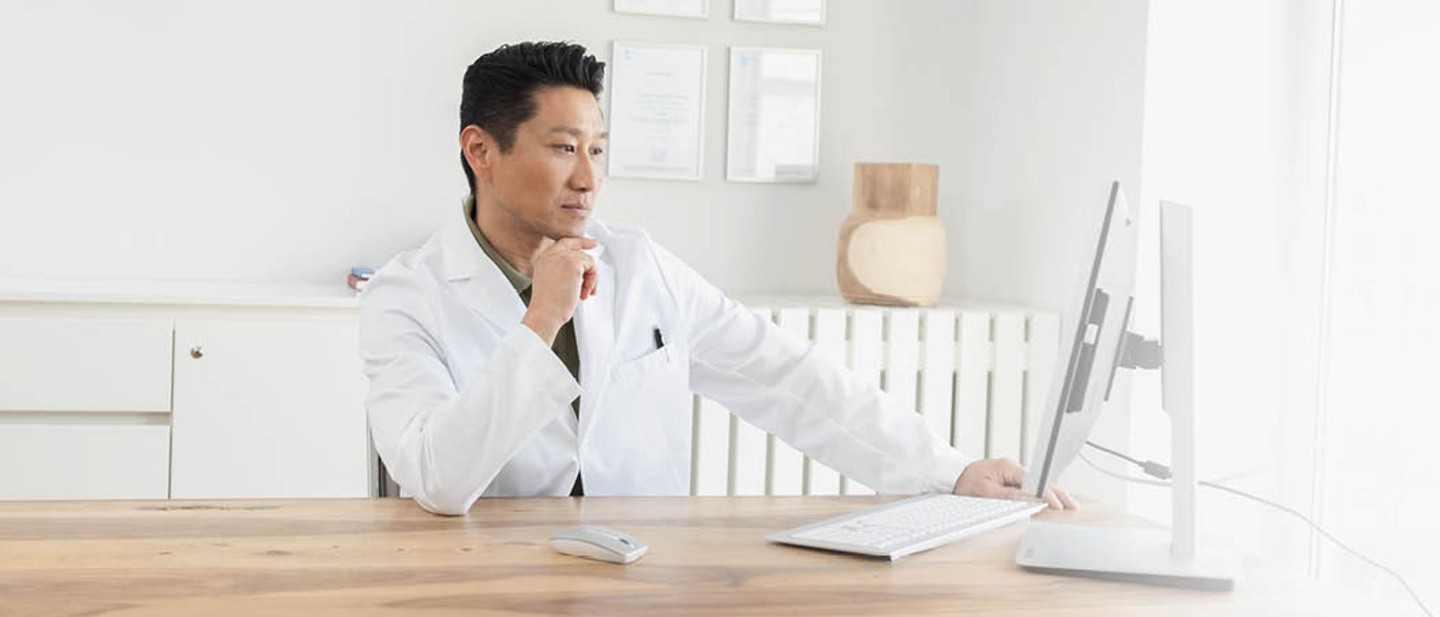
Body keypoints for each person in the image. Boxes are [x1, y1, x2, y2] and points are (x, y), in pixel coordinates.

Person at [359, 41, 1076, 516]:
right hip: (484, 583)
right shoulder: (406, 297)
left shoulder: (638, 265)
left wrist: (949, 471)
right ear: (480, 151)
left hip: (644, 577)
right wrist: (540, 318)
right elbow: (438, 478)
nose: (589, 177)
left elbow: (789, 376)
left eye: (600, 150)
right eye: (563, 148)